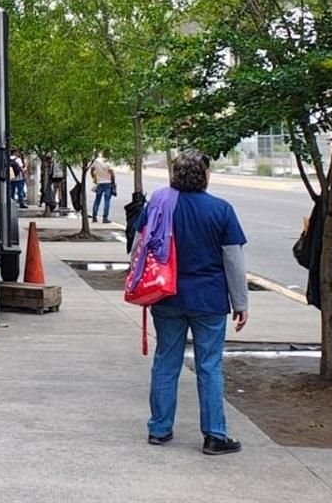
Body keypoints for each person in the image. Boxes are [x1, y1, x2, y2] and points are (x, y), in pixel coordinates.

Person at [137, 150, 249, 456]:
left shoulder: (159, 207)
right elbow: (234, 261)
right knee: (209, 367)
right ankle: (214, 435)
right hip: (209, 300)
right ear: (205, 176)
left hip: (167, 297)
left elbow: (139, 249)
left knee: (166, 361)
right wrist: (240, 302)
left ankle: (159, 429)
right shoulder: (221, 210)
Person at [90, 153, 116, 223]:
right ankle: (105, 218)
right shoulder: (108, 163)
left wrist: (94, 178)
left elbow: (92, 170)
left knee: (97, 200)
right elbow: (112, 174)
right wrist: (113, 183)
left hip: (99, 183)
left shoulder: (96, 161)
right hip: (108, 183)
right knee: (107, 201)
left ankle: (94, 217)